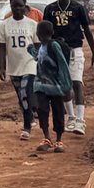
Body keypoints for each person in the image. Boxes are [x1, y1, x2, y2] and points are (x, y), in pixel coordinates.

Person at [43, 0, 94, 136]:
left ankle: (80, 120)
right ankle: (71, 117)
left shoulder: (77, 8)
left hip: (75, 50)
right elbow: (45, 32)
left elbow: (87, 31)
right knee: (65, 86)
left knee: (77, 83)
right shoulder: (50, 9)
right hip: (58, 51)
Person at [0, 0, 39, 141]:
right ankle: (30, 115)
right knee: (21, 98)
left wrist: (37, 61)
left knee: (25, 94)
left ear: (25, 7)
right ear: (11, 7)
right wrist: (2, 67)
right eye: (14, 6)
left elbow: (38, 45)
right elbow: (1, 48)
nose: (17, 9)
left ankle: (26, 127)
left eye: (20, 6)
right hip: (14, 67)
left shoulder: (32, 24)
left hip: (29, 65)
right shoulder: (4, 25)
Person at [29, 20, 72, 153]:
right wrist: (31, 50)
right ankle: (49, 138)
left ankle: (57, 139)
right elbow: (40, 58)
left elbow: (62, 64)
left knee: (55, 110)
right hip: (42, 85)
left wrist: (66, 85)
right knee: (44, 110)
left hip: (55, 86)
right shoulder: (42, 46)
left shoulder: (54, 46)